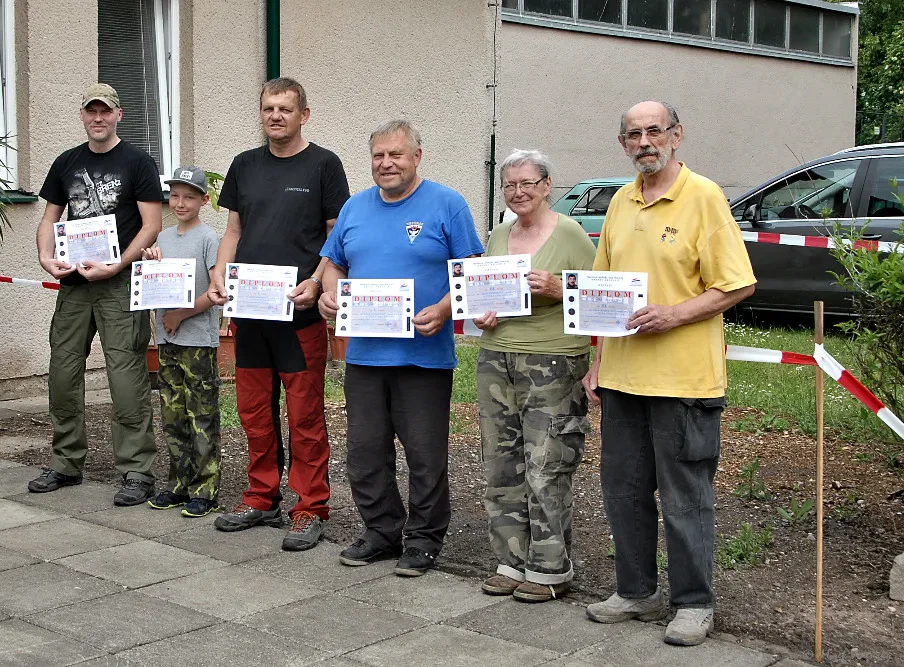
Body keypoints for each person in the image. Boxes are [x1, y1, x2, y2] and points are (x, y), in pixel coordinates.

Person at [582, 102, 756, 645]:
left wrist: (673, 315)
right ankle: (636, 592)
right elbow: (602, 292)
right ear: (622, 144)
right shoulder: (620, 201)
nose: (644, 142)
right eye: (633, 134)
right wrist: (598, 363)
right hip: (622, 380)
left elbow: (737, 284)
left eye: (654, 131)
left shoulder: (704, 197)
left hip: (683, 382)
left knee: (685, 498)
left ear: (676, 135)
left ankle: (694, 603)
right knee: (624, 492)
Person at [318, 120, 484, 577]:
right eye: (379, 155)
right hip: (365, 355)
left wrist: (445, 309)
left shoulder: (447, 203)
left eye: (396, 154)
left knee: (425, 455)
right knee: (365, 452)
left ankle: (424, 540)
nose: (387, 163)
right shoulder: (355, 207)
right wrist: (330, 293)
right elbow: (334, 263)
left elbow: (471, 269)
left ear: (417, 156)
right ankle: (382, 532)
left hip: (423, 355)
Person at [208, 77, 350, 552]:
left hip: (298, 314)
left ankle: (311, 506)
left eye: (285, 109)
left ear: (303, 114)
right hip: (250, 312)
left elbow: (335, 237)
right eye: (269, 108)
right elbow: (233, 231)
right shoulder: (244, 165)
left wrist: (317, 282)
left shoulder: (324, 165)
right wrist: (219, 274)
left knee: (304, 415)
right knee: (253, 412)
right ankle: (261, 496)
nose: (276, 116)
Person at [29, 83, 163, 505]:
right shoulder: (66, 162)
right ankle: (66, 463)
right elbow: (49, 219)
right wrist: (46, 257)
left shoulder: (138, 162)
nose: (98, 118)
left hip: (118, 284)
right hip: (74, 284)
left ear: (119, 114)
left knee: (126, 377)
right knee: (63, 373)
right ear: (83, 115)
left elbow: (151, 225)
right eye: (92, 111)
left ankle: (137, 471)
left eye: (106, 111)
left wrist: (118, 264)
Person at [474, 150, 596, 603]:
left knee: (547, 463)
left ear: (546, 186)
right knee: (501, 462)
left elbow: (601, 297)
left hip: (553, 359)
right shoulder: (499, 234)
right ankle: (511, 559)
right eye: (509, 185)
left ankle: (550, 567)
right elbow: (488, 292)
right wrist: (482, 312)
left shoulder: (571, 234)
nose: (518, 192)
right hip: (496, 356)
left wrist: (559, 288)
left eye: (527, 183)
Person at [141, 166, 222, 518]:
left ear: (204, 200)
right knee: (172, 414)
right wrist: (150, 263)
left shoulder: (209, 238)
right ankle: (179, 483)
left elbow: (215, 291)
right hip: (167, 340)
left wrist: (180, 315)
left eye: (189, 196)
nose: (180, 202)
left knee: (201, 414)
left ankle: (206, 488)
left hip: (197, 340)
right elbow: (154, 285)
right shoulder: (163, 238)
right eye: (174, 195)